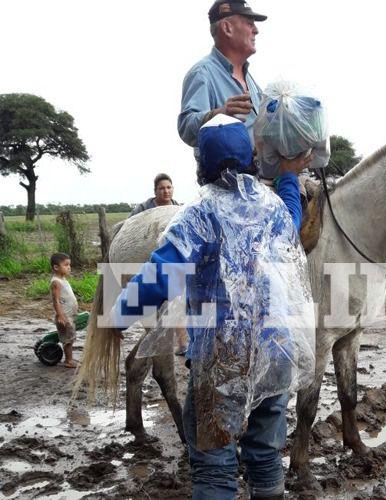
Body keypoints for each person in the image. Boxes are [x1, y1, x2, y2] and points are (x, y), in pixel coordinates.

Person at [109, 115, 313, 499]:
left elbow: (160, 276)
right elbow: (292, 213)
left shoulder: (199, 216)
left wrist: (118, 317)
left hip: (224, 359)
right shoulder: (272, 209)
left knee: (215, 462)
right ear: (251, 158)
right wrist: (287, 174)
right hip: (278, 350)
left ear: (201, 166)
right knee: (266, 452)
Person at [178, 0, 267, 168]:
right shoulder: (202, 73)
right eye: (249, 23)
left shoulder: (251, 81)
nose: (256, 30)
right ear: (227, 28)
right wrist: (220, 114)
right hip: (230, 188)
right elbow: (186, 127)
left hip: (262, 186)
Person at [128, 173, 188, 355]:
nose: (166, 191)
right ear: (155, 191)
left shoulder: (179, 209)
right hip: (150, 260)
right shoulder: (144, 209)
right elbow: (131, 229)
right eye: (162, 188)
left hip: (171, 261)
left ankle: (183, 341)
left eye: (169, 187)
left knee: (176, 300)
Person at [50, 252, 79, 369]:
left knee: (70, 337)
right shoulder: (56, 282)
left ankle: (70, 358)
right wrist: (60, 316)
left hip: (69, 315)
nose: (69, 267)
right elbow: (55, 301)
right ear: (56, 267)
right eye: (66, 265)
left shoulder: (63, 280)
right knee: (68, 339)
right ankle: (68, 360)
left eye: (69, 265)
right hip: (64, 316)